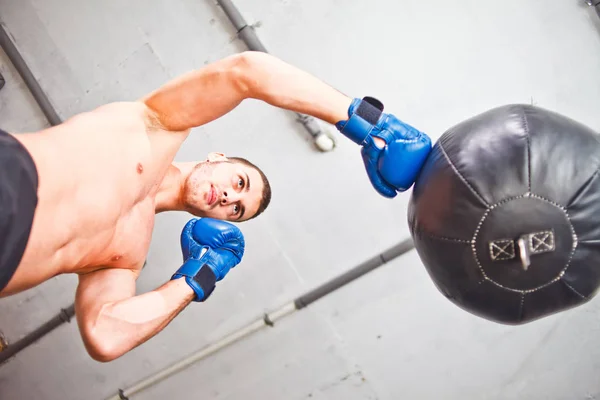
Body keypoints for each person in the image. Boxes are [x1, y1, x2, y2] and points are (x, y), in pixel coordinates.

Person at [0, 51, 431, 362]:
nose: (230, 197)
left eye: (236, 209)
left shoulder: (124, 257)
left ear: (216, 221)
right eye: (238, 183)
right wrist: (372, 127)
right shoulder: (156, 125)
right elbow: (246, 73)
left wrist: (198, 277)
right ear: (217, 158)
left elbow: (105, 336)